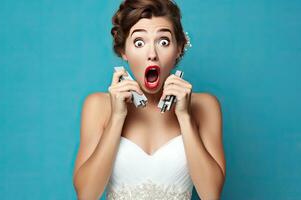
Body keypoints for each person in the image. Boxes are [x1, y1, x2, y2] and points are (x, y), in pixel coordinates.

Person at [73, 0, 225, 199]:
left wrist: (185, 117)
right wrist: (117, 117)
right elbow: (86, 194)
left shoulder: (205, 106)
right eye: (139, 42)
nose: (152, 54)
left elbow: (211, 194)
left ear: (179, 48)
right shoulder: (98, 106)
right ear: (123, 51)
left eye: (163, 42)